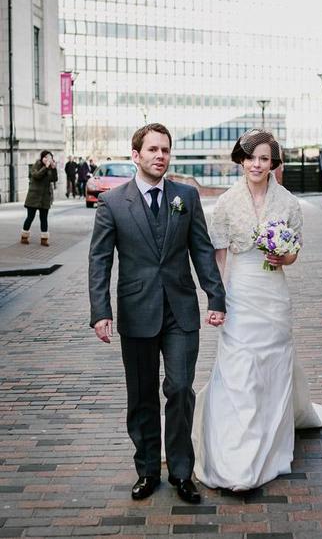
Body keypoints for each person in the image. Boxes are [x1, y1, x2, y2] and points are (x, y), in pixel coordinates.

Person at [88, 123, 226, 503]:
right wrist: (100, 311)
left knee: (180, 389)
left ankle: (182, 472)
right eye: (152, 149)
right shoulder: (113, 202)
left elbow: (201, 250)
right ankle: (148, 470)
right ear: (136, 155)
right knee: (142, 394)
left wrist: (216, 297)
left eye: (165, 149)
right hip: (136, 312)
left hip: (180, 311)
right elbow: (99, 260)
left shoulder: (186, 196)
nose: (160, 156)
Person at [192, 129, 322, 492]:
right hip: (239, 292)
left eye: (265, 159)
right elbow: (218, 254)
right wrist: (217, 299)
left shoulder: (287, 203)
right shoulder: (225, 203)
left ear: (273, 163)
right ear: (241, 160)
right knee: (239, 368)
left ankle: (270, 442)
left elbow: (294, 253)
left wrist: (283, 254)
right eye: (252, 157)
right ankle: (236, 450)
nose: (257, 164)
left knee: (272, 364)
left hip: (273, 292)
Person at [20, 150, 58, 247]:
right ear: (42, 158)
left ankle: (44, 239)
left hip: (45, 197)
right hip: (34, 196)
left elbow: (54, 179)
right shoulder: (36, 165)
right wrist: (45, 167)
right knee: (30, 217)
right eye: (45, 157)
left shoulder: (50, 168)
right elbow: (36, 176)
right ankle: (24, 236)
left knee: (44, 219)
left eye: (49, 158)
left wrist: (54, 169)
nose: (47, 159)